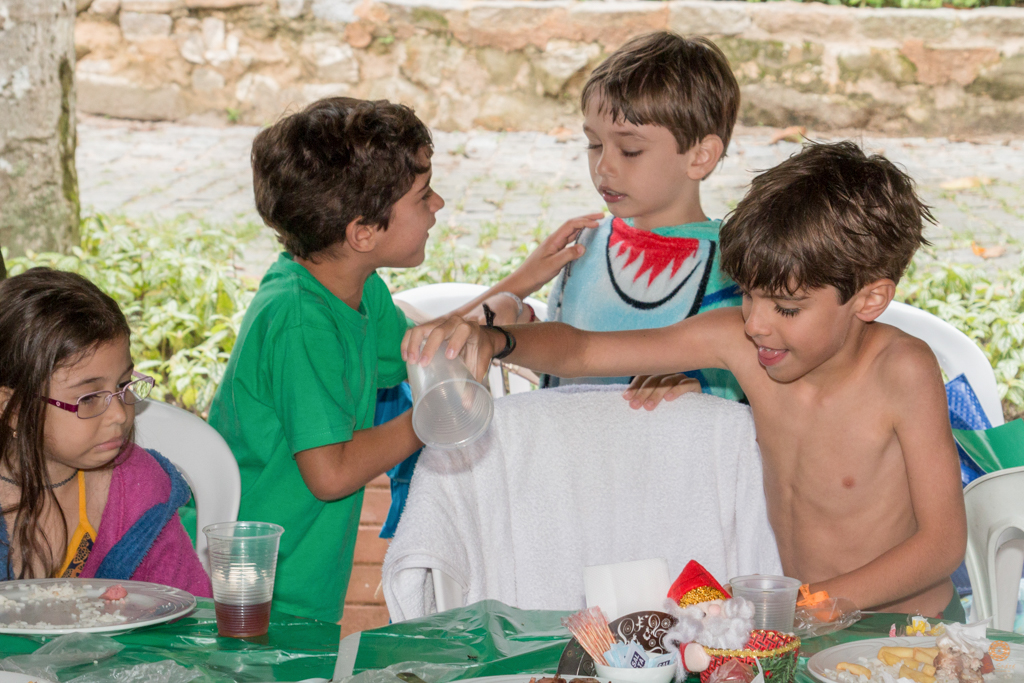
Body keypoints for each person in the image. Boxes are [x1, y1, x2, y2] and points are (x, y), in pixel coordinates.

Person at [406, 141, 969, 620]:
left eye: (787, 308)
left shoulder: (902, 371)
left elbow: (942, 544)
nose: (756, 323)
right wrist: (495, 339)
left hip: (900, 631)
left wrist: (812, 606)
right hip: (804, 619)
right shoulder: (744, 345)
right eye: (748, 294)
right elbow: (582, 349)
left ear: (870, 298)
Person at [208, 97, 554, 622]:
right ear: (363, 233)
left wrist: (515, 291)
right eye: (422, 194)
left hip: (299, 570)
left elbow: (419, 354)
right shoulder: (301, 321)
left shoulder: (356, 290)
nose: (438, 203)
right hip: (248, 585)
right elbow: (331, 471)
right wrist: (432, 421)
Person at [480, 31, 744, 403]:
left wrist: (700, 393)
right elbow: (567, 365)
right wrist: (520, 322)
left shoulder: (731, 269)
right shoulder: (586, 244)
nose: (603, 166)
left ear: (700, 156)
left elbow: (747, 394)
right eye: (594, 143)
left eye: (630, 150)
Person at [0, 268, 211, 595]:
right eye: (88, 397)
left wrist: (131, 625)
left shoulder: (137, 486)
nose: (118, 413)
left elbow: (188, 610)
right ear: (9, 408)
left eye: (124, 384)